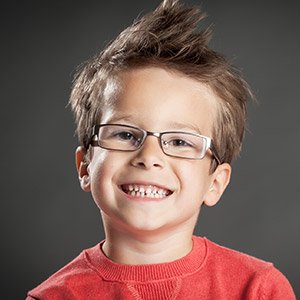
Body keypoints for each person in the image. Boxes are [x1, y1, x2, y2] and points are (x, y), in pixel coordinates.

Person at [27, 0, 296, 299]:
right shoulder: (53, 297)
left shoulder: (259, 289)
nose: (149, 157)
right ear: (85, 165)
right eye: (126, 134)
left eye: (180, 142)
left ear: (215, 183)